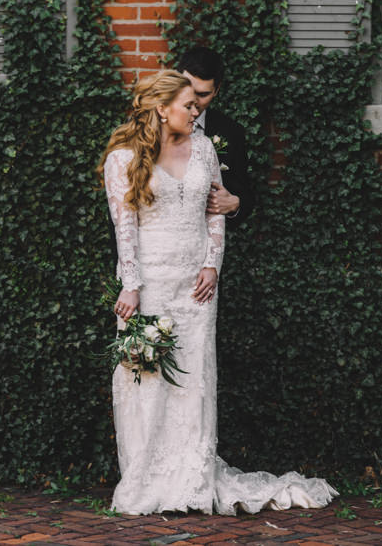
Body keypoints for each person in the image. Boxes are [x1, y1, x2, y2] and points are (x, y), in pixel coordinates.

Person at [99, 70, 338, 515]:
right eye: (189, 105)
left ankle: (192, 482)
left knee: (194, 380)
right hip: (149, 285)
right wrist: (131, 286)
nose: (197, 112)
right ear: (161, 108)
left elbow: (215, 213)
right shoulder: (123, 158)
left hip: (197, 288)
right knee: (147, 381)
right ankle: (147, 478)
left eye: (197, 104)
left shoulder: (205, 149)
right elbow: (124, 227)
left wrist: (212, 265)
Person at [178, 46, 254, 229]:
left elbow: (244, 192)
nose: (193, 101)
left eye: (202, 94)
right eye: (188, 89)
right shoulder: (147, 126)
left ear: (216, 90)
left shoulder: (231, 132)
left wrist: (235, 204)